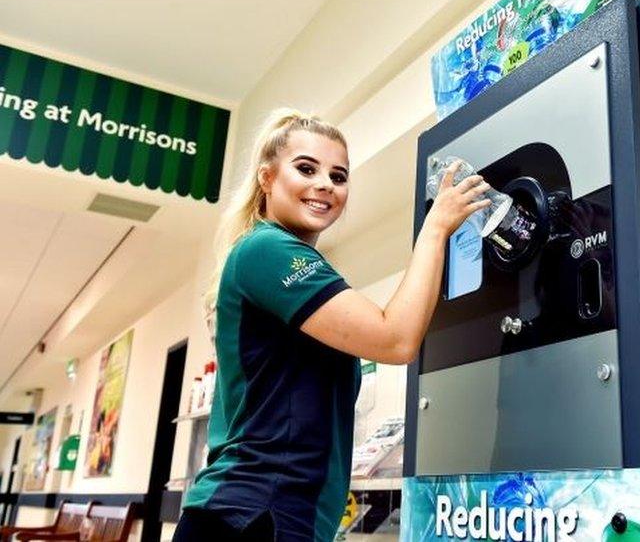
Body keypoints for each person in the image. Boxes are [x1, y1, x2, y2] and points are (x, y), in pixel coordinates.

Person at [174, 109, 490, 541]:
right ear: (267, 178)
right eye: (306, 168)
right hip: (252, 513)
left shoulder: (291, 261)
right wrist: (435, 228)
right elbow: (395, 339)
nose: (325, 184)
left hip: (283, 515)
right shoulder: (267, 249)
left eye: (338, 176)